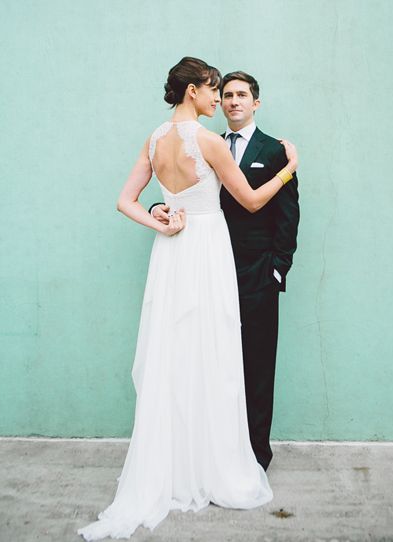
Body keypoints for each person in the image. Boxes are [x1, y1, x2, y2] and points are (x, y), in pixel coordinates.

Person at [77, 57, 298, 540]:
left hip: (171, 254)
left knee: (173, 354)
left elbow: (125, 201)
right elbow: (253, 200)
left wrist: (160, 219)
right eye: (213, 90)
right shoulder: (210, 141)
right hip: (206, 250)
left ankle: (174, 466)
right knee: (212, 353)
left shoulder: (154, 139)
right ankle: (212, 465)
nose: (218, 100)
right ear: (193, 91)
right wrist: (289, 170)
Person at [152, 71, 299, 471]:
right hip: (206, 266)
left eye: (241, 95)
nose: (232, 101)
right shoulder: (205, 143)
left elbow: (288, 216)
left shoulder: (274, 150)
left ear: (256, 103)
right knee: (210, 362)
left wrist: (276, 270)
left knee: (255, 364)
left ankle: (254, 456)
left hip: (256, 273)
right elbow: (184, 192)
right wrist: (156, 209)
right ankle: (212, 454)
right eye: (227, 94)